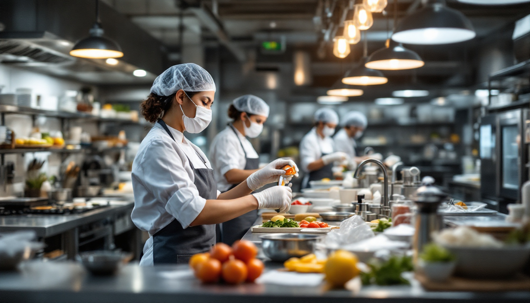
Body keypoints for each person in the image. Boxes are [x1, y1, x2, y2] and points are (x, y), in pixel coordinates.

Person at [131, 63, 295, 265]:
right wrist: (260, 200)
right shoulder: (158, 146)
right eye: (205, 102)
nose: (208, 110)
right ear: (180, 97)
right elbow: (193, 212)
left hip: (200, 257)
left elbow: (217, 199)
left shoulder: (189, 146)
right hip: (170, 260)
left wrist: (257, 181)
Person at [209, 94, 276, 245]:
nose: (260, 126)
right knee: (233, 252)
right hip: (231, 204)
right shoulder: (226, 139)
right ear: (244, 116)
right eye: (258, 121)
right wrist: (265, 171)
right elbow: (231, 175)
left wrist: (270, 168)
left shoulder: (244, 140)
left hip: (246, 204)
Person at [299, 108, 349, 188]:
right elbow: (307, 166)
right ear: (321, 123)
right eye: (330, 126)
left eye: (334, 127)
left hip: (327, 184)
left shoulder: (329, 141)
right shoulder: (309, 139)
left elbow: (332, 165)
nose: (332, 130)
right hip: (312, 185)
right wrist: (328, 158)